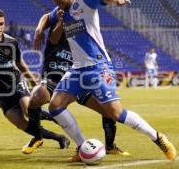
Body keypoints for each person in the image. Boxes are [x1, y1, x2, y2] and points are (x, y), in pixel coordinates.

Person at [44, 0, 177, 161]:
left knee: (115, 113)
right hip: (77, 69)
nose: (56, 1)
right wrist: (55, 23)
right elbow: (53, 39)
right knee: (55, 106)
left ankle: (158, 137)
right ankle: (82, 147)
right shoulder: (60, 11)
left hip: (98, 66)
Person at [0, 5, 70, 153]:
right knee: (21, 123)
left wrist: (33, 82)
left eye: (2, 23)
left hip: (16, 82)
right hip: (0, 91)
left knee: (28, 109)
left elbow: (20, 64)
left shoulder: (11, 42)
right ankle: (60, 138)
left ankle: (60, 119)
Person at [23, 12, 129, 157]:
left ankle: (110, 146)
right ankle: (38, 136)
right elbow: (48, 18)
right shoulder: (56, 33)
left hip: (77, 81)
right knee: (37, 96)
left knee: (108, 108)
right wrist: (40, 29)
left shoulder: (83, 42)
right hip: (53, 79)